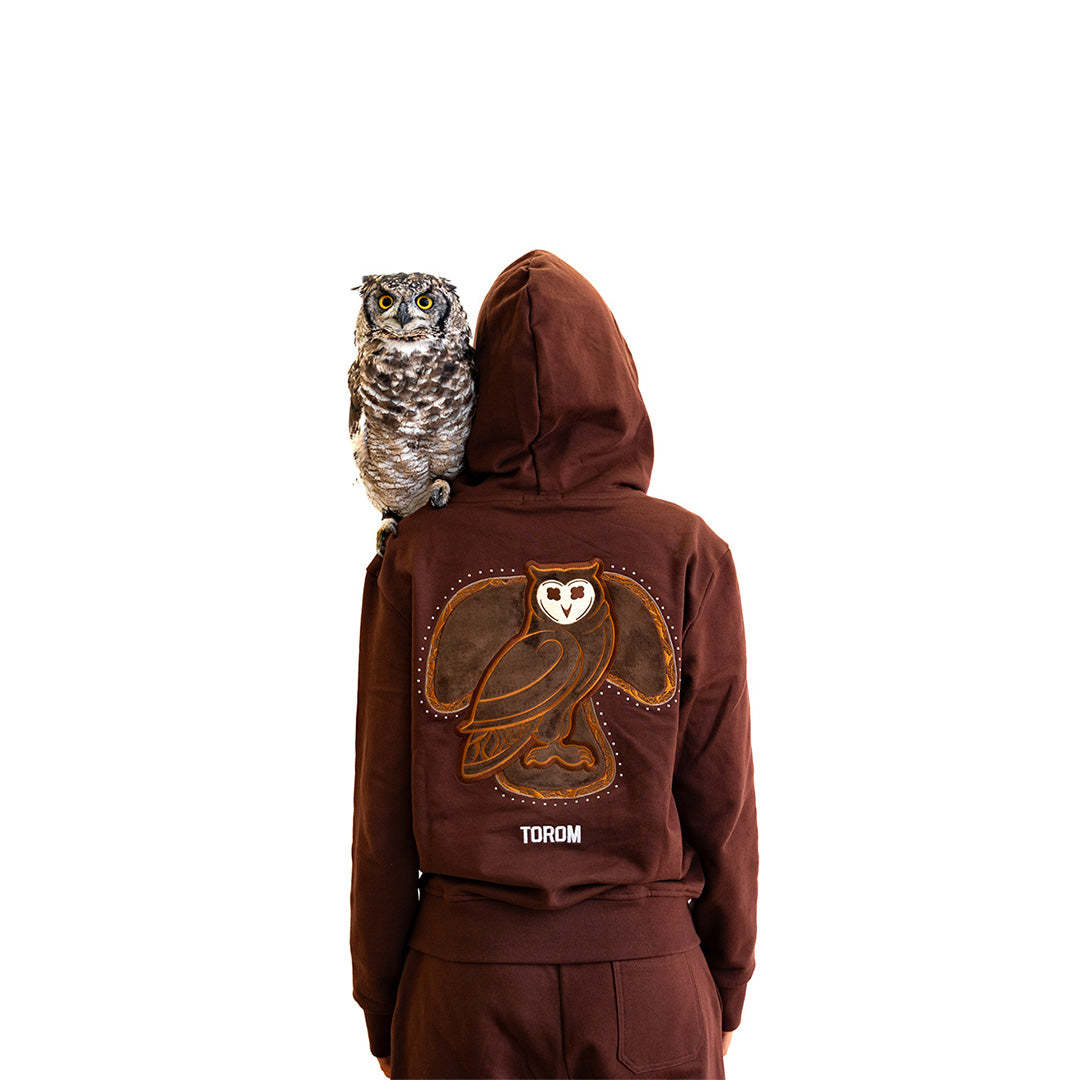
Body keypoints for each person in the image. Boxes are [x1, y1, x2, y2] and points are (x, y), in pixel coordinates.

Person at [350, 251, 758, 1079]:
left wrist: (387, 1004)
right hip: (650, 982)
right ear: (621, 381)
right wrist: (723, 984)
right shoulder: (688, 551)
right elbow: (724, 801)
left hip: (465, 990)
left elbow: (380, 809)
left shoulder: (419, 555)